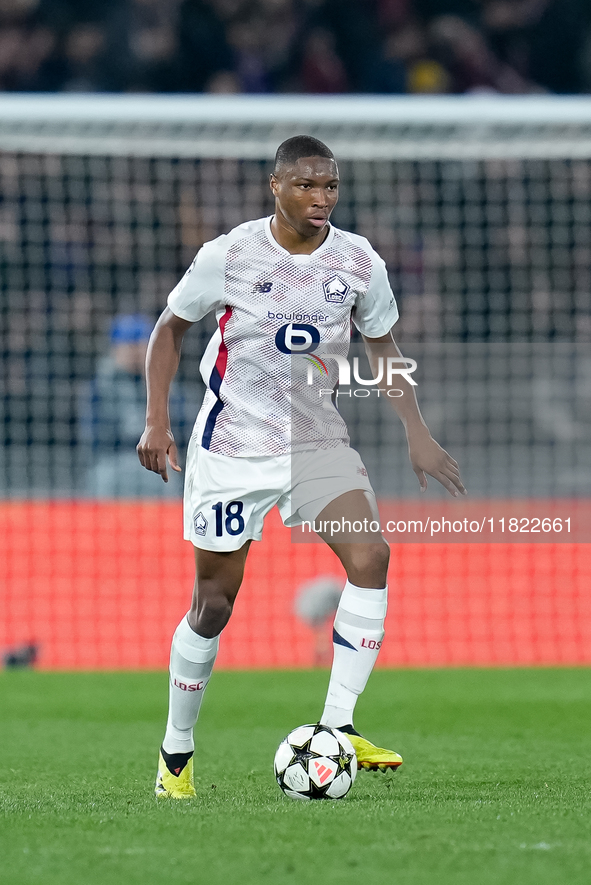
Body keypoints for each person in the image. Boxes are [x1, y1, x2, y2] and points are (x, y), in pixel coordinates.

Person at [137, 135, 466, 799]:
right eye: (307, 185)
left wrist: (416, 431)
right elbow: (169, 328)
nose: (321, 198)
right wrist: (155, 421)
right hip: (231, 448)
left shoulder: (357, 260)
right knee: (213, 604)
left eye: (331, 187)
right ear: (276, 186)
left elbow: (382, 345)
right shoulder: (227, 255)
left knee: (371, 556)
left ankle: (337, 728)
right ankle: (176, 754)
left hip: (315, 444)